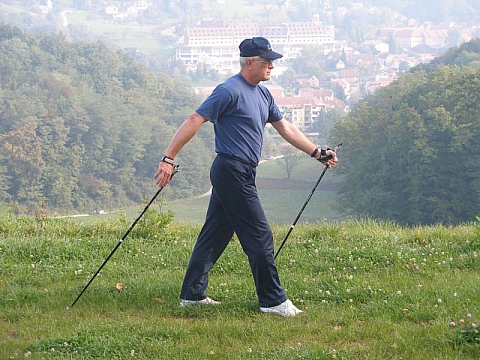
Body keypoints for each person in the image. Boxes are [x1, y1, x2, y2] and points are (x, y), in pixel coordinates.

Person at [154, 37, 338, 317]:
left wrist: (316, 152)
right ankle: (273, 301)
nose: (272, 67)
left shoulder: (263, 94)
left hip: (243, 171)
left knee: (215, 233)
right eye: (267, 62)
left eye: (273, 62)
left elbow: (284, 127)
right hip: (231, 170)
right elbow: (194, 119)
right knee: (260, 235)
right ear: (250, 63)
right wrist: (169, 158)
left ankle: (192, 295)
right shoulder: (228, 90)